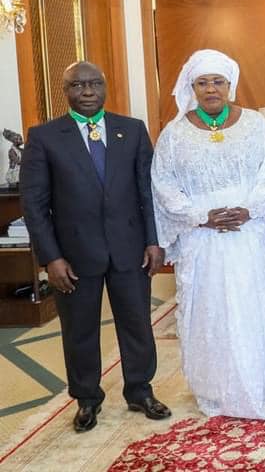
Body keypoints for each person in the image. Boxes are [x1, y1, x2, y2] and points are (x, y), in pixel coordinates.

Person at [19, 61, 171, 432]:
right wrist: (50, 258)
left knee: (137, 324)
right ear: (65, 91)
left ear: (105, 87)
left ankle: (139, 390)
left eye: (94, 84)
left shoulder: (132, 131)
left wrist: (154, 240)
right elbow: (34, 205)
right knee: (80, 330)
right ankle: (87, 399)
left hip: (130, 248)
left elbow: (147, 192)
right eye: (77, 85)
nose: (86, 91)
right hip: (73, 255)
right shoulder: (44, 136)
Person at [150, 49, 265, 420]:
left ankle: (261, 381)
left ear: (230, 85)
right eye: (202, 83)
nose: (211, 89)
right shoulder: (175, 134)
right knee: (211, 312)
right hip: (202, 240)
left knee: (251, 309)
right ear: (193, 87)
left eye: (218, 81)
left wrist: (248, 209)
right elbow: (163, 186)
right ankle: (216, 388)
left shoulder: (255, 124)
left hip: (249, 235)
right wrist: (202, 216)